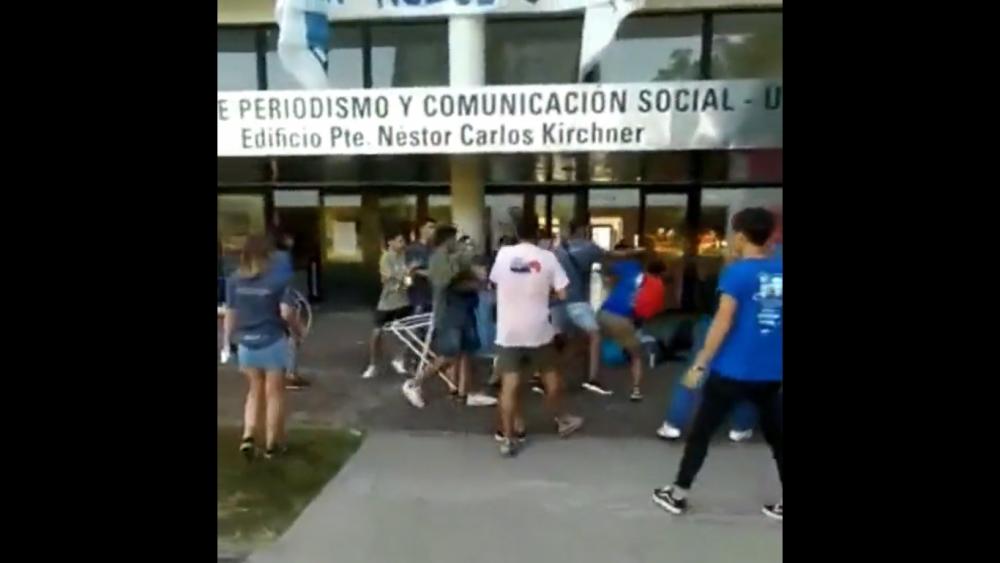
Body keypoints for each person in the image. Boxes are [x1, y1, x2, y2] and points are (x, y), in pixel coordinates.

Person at [652, 208, 783, 521]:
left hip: (732, 370)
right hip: (771, 371)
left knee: (701, 433)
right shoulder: (779, 270)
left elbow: (722, 323)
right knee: (779, 438)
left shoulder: (737, 274)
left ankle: (678, 493)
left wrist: (699, 364)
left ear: (739, 236)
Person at [490, 215, 584, 457]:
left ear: (517, 233)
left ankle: (508, 439)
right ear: (539, 235)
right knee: (552, 382)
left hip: (508, 331)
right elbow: (563, 295)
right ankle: (560, 419)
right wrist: (544, 296)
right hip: (538, 331)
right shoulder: (548, 257)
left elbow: (494, 283)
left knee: (509, 386)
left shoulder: (503, 255)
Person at [222, 234, 305, 461]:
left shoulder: (234, 280)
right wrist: (299, 332)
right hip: (272, 341)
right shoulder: (278, 281)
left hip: (246, 344)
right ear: (268, 254)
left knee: (253, 391)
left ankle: (248, 437)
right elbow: (287, 313)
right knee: (274, 394)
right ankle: (272, 444)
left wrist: (226, 343)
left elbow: (230, 313)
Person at [656, 259, 758, 441]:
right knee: (744, 377)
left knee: (695, 372)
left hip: (708, 323)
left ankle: (673, 424)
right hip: (742, 327)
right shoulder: (756, 278)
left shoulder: (716, 279)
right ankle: (741, 427)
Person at [402, 225, 496, 408]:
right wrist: (468, 270)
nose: (457, 243)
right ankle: (415, 383)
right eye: (454, 239)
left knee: (466, 351)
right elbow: (445, 281)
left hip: (464, 309)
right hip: (448, 312)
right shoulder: (439, 258)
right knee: (449, 354)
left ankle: (465, 392)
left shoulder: (450, 257)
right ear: (448, 239)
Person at [551, 218, 643, 396]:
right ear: (583, 230)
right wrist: (637, 251)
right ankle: (592, 378)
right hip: (576, 300)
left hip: (556, 302)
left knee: (568, 341)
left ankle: (550, 375)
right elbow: (613, 256)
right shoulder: (588, 247)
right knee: (594, 336)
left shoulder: (558, 249)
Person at [596, 243, 648, 402]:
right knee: (637, 355)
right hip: (621, 318)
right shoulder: (638, 270)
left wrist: (616, 254)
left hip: (604, 313)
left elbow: (604, 264)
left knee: (589, 343)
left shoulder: (626, 267)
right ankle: (636, 390)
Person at [362, 230, 413, 379]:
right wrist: (405, 274)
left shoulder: (403, 256)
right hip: (387, 301)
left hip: (403, 300)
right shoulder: (386, 257)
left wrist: (406, 277)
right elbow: (388, 276)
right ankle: (372, 364)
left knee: (405, 332)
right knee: (377, 332)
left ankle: (399, 359)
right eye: (399, 241)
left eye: (403, 241)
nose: (402, 244)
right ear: (390, 242)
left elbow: (407, 278)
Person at [270, 231, 311, 390]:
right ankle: (289, 374)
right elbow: (284, 283)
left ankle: (281, 372)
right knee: (294, 336)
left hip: (269, 303)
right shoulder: (283, 258)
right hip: (283, 301)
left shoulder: (269, 257)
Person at [406, 218, 437, 315]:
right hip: (418, 293)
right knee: (417, 320)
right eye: (430, 227)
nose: (433, 230)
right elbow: (411, 270)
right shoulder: (413, 248)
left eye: (434, 227)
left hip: (433, 292)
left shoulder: (434, 248)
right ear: (422, 229)